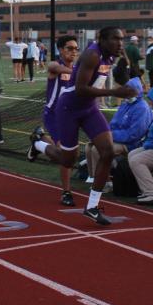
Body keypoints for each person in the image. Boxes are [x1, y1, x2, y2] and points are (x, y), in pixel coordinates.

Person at [51, 27, 138, 225]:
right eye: (115, 39)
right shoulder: (92, 55)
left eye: (122, 39)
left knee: (108, 152)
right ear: (102, 40)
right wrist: (114, 92)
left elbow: (102, 81)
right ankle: (39, 143)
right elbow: (81, 89)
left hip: (89, 108)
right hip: (69, 108)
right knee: (67, 160)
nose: (120, 43)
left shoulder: (111, 56)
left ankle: (92, 206)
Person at [28, 35, 80, 205]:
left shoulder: (77, 69)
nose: (74, 52)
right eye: (69, 48)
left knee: (70, 153)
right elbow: (53, 67)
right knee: (66, 154)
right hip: (54, 115)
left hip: (70, 116)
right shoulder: (55, 66)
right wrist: (77, 72)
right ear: (60, 50)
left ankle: (39, 141)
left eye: (76, 49)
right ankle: (66, 192)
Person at [86, 75, 151, 184]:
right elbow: (113, 123)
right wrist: (103, 134)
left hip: (131, 144)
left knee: (98, 149)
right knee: (90, 145)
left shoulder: (142, 108)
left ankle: (104, 182)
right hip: (118, 138)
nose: (126, 92)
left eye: (129, 90)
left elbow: (134, 134)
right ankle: (93, 177)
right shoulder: (125, 103)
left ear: (136, 91)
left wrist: (111, 136)